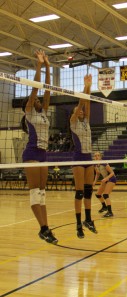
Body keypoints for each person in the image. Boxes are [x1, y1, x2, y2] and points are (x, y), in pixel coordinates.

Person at [21, 49, 58, 244]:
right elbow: (36, 88)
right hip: (32, 153)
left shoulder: (43, 111)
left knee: (43, 193)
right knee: (35, 192)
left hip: (43, 154)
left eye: (37, 100)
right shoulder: (30, 113)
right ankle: (43, 228)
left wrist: (49, 67)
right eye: (33, 99)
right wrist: (38, 64)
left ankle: (45, 228)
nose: (36, 100)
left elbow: (47, 89)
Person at [70, 74, 97, 239]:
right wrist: (83, 88)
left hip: (89, 158)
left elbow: (86, 102)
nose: (80, 111)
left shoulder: (86, 121)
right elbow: (81, 103)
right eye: (78, 110)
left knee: (88, 192)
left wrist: (89, 86)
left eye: (81, 111)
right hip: (78, 158)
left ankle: (88, 219)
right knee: (79, 192)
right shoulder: (73, 121)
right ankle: (78, 224)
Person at [93, 151, 117, 217]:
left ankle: (110, 212)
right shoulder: (95, 164)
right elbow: (97, 174)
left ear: (100, 157)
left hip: (111, 179)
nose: (96, 157)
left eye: (98, 155)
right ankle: (104, 207)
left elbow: (112, 173)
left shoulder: (104, 163)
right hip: (105, 180)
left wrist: (106, 179)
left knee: (105, 195)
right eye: (95, 156)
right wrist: (94, 181)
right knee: (98, 194)